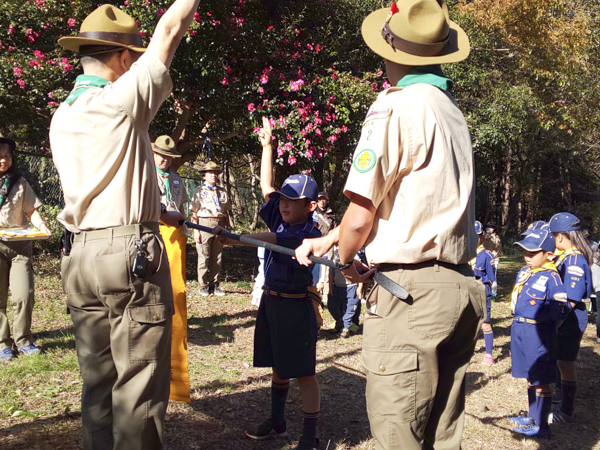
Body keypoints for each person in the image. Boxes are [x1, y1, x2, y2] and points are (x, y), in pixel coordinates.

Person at [296, 1, 485, 448]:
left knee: (397, 432)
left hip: (409, 298)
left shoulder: (394, 107)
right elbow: (412, 204)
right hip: (457, 289)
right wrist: (329, 238)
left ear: (390, 50)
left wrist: (345, 263)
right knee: (443, 434)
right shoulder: (450, 110)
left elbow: (363, 212)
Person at [49, 2, 197, 448]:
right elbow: (171, 29)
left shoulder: (63, 115)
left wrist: (156, 208)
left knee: (97, 382)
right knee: (138, 387)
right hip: (128, 255)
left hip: (80, 256)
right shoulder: (121, 100)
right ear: (126, 59)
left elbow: (107, 179)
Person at [215, 117, 321, 450]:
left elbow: (273, 238)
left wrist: (236, 238)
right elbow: (266, 185)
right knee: (277, 366)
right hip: (271, 302)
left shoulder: (310, 233)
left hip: (296, 305)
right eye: (284, 199)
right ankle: (277, 421)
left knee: (303, 373)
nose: (284, 204)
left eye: (292, 200)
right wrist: (267, 147)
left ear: (311, 205)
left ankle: (308, 437)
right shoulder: (283, 211)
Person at [508, 224, 569, 438]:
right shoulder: (525, 272)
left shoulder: (552, 278)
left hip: (538, 334)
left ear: (549, 254)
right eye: (525, 252)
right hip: (520, 329)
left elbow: (559, 314)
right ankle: (532, 417)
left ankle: (542, 426)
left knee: (541, 380)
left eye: (533, 253)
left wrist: (545, 334)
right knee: (529, 376)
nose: (527, 257)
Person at [0, 137, 51, 362]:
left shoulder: (20, 182)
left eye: (7, 156)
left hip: (20, 244)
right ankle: (3, 344)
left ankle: (24, 340)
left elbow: (31, 211)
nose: (3, 160)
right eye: (0, 156)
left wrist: (42, 226)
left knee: (24, 295)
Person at [153, 135, 191, 402]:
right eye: (161, 155)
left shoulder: (176, 179)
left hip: (175, 233)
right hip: (153, 231)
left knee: (177, 288)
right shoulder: (143, 174)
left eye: (169, 157)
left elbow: (183, 205)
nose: (165, 159)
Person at [548, 212, 593, 424]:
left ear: (560, 237)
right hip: (564, 317)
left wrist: (555, 323)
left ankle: (566, 410)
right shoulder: (565, 256)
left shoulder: (574, 259)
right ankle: (559, 394)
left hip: (569, 318)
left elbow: (572, 300)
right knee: (560, 360)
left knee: (565, 363)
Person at [190, 161, 232, 296]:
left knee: (217, 257)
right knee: (204, 255)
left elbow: (226, 212)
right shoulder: (199, 191)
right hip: (204, 223)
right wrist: (196, 231)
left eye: (215, 173)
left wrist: (228, 228)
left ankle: (215, 285)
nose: (214, 175)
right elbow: (194, 212)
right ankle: (203, 285)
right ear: (204, 176)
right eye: (210, 173)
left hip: (219, 224)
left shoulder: (222, 192)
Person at [472, 221, 496, 365]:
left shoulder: (486, 255)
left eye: (477, 236)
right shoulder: (463, 254)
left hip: (481, 291)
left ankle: (488, 354)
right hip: (466, 292)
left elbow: (491, 279)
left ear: (482, 237)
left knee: (485, 323)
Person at [154, 135, 189, 215]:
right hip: (157, 224)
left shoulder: (176, 177)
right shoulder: (148, 176)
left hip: (175, 224)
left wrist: (183, 223)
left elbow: (180, 206)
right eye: (163, 156)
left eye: (169, 156)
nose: (166, 159)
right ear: (154, 154)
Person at [483, 222, 501, 299]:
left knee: (492, 277)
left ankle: (493, 294)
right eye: (487, 227)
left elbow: (498, 250)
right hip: (484, 259)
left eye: (491, 227)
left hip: (493, 260)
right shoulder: (484, 237)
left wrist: (491, 258)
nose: (489, 229)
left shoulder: (496, 238)